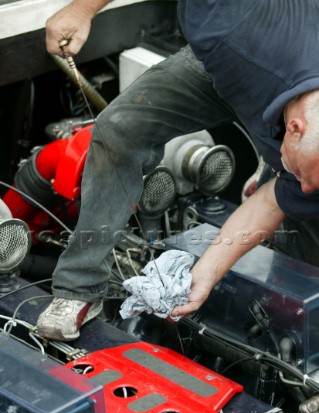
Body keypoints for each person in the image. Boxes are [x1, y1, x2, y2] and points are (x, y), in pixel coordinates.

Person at [37, 0, 319, 341]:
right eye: (301, 175)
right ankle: (78, 288)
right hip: (225, 61)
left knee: (305, 253)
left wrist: (204, 274)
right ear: (294, 129)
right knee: (121, 127)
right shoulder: (228, 25)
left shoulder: (309, 145)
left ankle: (296, 348)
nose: (304, 186)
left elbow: (273, 201)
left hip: (284, 87)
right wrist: (82, 9)